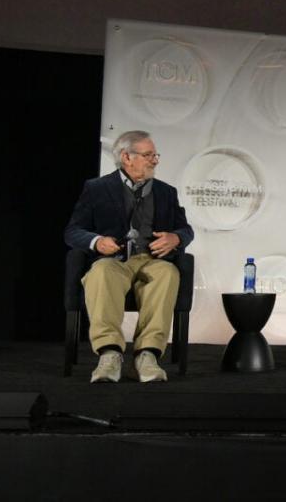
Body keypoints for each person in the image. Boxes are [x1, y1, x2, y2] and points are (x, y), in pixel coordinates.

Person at [64, 131, 194, 383]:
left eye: (155, 155)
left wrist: (176, 238)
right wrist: (97, 241)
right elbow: (72, 232)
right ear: (126, 157)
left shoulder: (167, 192)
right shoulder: (96, 189)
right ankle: (110, 353)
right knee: (101, 272)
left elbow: (185, 229)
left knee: (168, 273)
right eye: (148, 155)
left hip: (153, 260)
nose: (155, 160)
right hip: (113, 261)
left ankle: (147, 355)